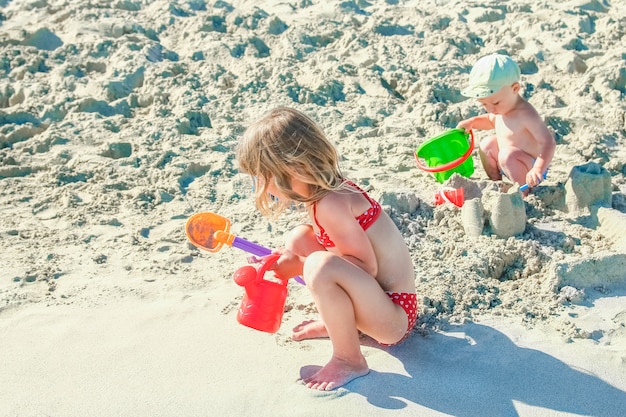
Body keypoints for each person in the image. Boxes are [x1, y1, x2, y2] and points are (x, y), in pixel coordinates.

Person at [236, 107, 417, 391]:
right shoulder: (323, 196)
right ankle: (341, 323)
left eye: (264, 176)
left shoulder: (331, 204)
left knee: (318, 265)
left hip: (394, 317)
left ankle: (349, 359)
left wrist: (303, 265)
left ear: (293, 168)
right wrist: (292, 260)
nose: (261, 186)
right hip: (378, 303)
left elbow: (364, 266)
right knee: (299, 240)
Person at [457, 53, 556, 193]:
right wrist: (472, 122)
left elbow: (548, 142)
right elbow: (489, 120)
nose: (491, 109)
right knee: (487, 144)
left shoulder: (525, 114)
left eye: (495, 102)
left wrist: (538, 169)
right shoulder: (502, 109)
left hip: (529, 167)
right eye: (484, 104)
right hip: (508, 162)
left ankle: (522, 193)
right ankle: (497, 183)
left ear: (515, 89)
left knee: (507, 155)